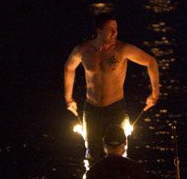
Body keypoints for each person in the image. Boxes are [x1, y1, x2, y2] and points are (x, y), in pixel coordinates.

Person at [64, 12, 160, 163]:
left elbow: (151, 62)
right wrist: (68, 98)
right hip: (92, 110)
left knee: (117, 155)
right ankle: (94, 177)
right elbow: (69, 68)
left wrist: (155, 93)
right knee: (93, 154)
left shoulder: (122, 49)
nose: (115, 33)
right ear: (99, 30)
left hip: (116, 109)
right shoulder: (83, 50)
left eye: (116, 29)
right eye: (110, 30)